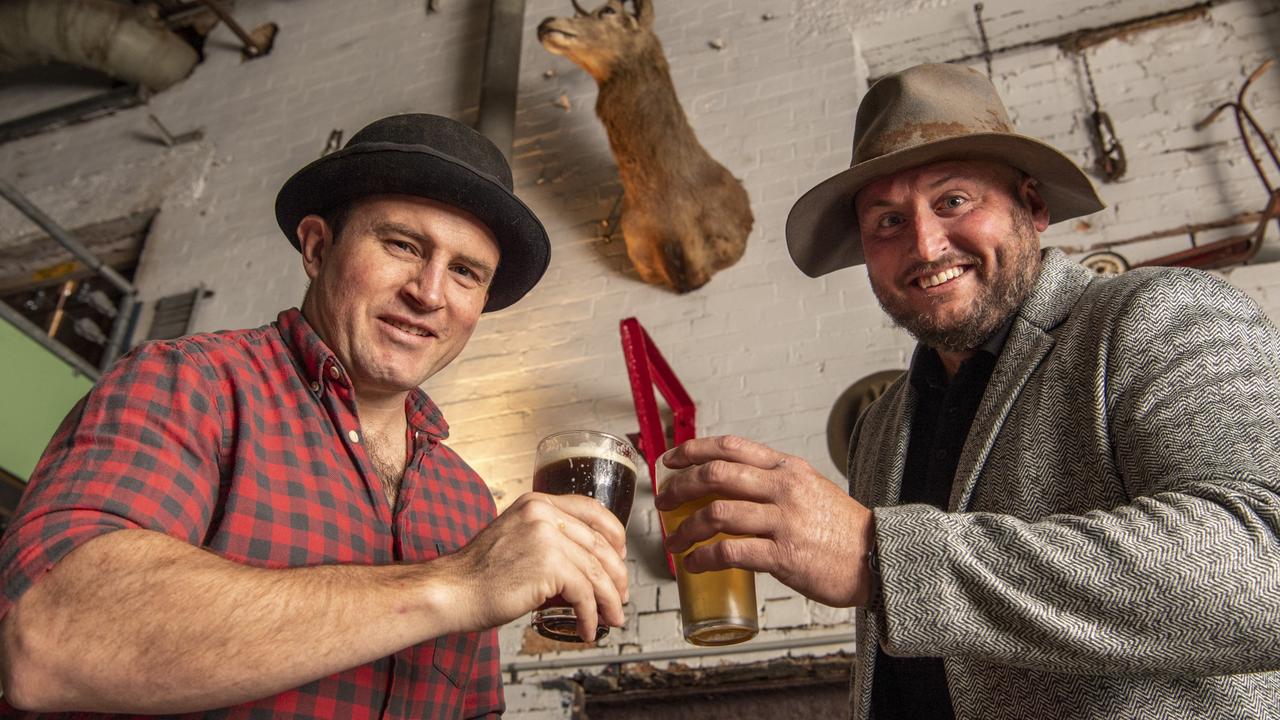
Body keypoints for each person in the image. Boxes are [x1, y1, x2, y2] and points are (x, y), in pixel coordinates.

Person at [656, 63, 1280, 719]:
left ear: (1033, 206)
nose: (925, 245)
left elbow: (1264, 565)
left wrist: (878, 556)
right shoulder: (882, 426)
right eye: (888, 221)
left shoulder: (1155, 314)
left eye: (953, 201)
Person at [0, 114, 630, 718]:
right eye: (403, 245)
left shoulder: (463, 498)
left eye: (465, 272)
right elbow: (51, 638)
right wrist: (458, 585)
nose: (429, 293)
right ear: (317, 245)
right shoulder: (191, 383)